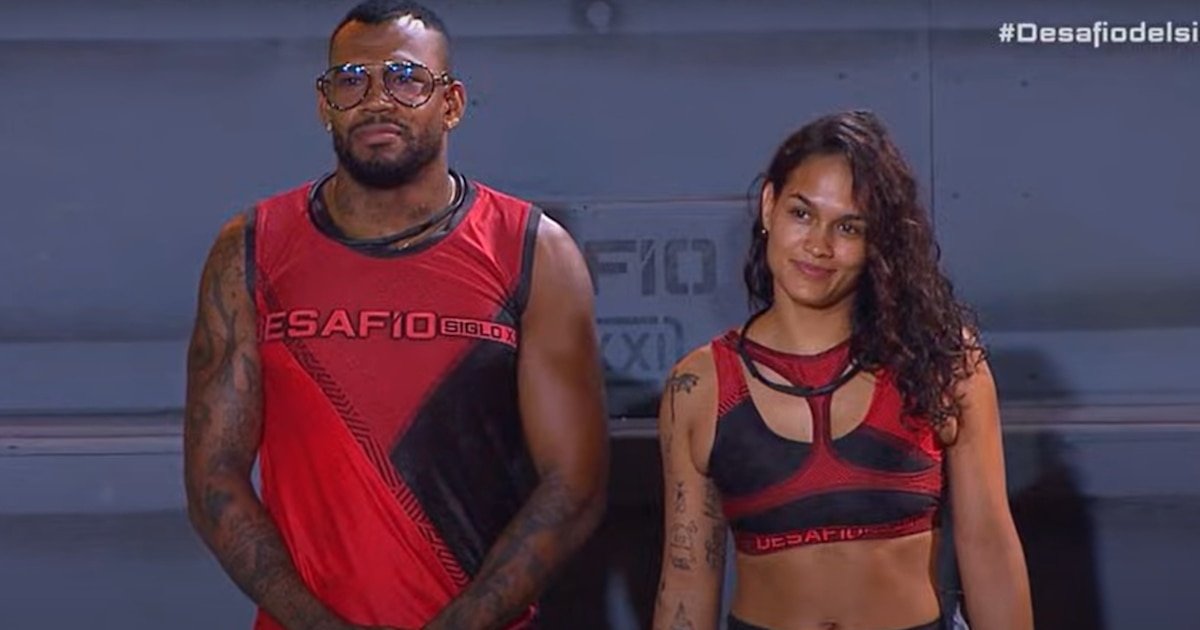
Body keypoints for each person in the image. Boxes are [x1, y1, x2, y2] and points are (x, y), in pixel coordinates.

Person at [183, 1, 609, 628]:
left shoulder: (531, 250)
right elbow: (213, 478)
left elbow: (574, 487)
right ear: (324, 104)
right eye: (351, 80)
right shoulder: (251, 248)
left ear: (452, 103)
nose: (377, 100)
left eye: (407, 79)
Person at [652, 110, 1032, 630]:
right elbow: (686, 580)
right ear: (769, 206)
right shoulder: (699, 388)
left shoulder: (944, 363)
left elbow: (988, 547)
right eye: (802, 214)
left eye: (848, 227)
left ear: (878, 241)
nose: (819, 245)